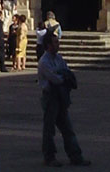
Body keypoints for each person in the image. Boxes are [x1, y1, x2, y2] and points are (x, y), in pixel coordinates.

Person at [38, 33, 91, 167]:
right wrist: (63, 76)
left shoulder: (59, 58)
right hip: (50, 97)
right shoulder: (44, 61)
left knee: (68, 128)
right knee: (49, 130)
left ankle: (76, 156)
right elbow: (55, 79)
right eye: (55, 42)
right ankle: (49, 157)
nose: (58, 45)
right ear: (48, 45)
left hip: (61, 96)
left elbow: (67, 73)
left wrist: (63, 76)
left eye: (58, 42)